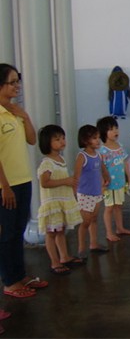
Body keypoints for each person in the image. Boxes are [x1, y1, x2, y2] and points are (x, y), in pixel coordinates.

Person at [0, 64, 48, 298]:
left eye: (17, 81)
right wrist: (5, 186)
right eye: (12, 82)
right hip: (5, 185)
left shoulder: (14, 113)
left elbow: (31, 140)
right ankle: (10, 282)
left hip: (23, 180)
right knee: (7, 233)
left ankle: (20, 275)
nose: (17, 86)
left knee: (18, 230)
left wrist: (25, 116)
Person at [37, 125, 84, 275]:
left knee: (61, 230)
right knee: (51, 233)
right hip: (53, 203)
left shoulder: (61, 159)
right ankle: (54, 262)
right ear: (47, 142)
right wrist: (66, 181)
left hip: (62, 201)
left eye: (63, 138)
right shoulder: (47, 163)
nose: (62, 141)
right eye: (57, 139)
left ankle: (64, 257)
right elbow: (45, 182)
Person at [74, 124, 110, 258]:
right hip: (85, 194)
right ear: (85, 140)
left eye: (98, 137)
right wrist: (74, 194)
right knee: (85, 222)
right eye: (94, 138)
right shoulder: (82, 156)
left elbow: (102, 167)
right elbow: (76, 176)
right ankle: (81, 248)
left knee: (94, 219)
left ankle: (94, 243)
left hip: (96, 193)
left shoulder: (98, 155)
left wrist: (106, 177)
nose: (98, 140)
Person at [97, 116, 130, 241]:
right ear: (103, 132)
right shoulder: (102, 150)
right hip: (109, 185)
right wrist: (102, 183)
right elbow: (100, 169)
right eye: (111, 129)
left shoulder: (120, 146)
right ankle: (109, 233)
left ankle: (120, 228)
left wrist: (129, 177)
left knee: (119, 206)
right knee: (109, 208)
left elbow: (125, 163)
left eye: (116, 128)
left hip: (120, 183)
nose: (115, 131)